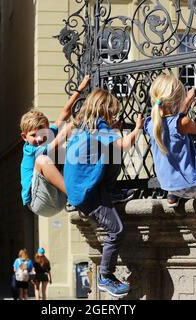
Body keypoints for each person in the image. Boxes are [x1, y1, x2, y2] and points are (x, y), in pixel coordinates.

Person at [64, 88, 144, 298]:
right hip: (87, 195)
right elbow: (125, 145)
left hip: (83, 188)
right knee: (116, 231)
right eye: (113, 114)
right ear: (104, 111)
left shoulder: (83, 128)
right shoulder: (99, 128)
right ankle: (105, 277)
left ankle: (111, 193)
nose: (115, 118)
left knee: (111, 152)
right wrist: (137, 128)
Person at [145, 74, 196, 209]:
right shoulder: (183, 122)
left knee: (172, 161)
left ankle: (173, 197)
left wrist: (188, 99)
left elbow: (170, 117)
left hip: (168, 186)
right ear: (177, 100)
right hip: (194, 186)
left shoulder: (150, 124)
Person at [20, 76, 91, 217]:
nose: (39, 138)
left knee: (67, 150)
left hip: (57, 198)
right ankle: (75, 196)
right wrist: (76, 121)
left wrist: (80, 89)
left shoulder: (47, 134)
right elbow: (57, 141)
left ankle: (85, 185)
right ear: (24, 137)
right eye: (34, 135)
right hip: (38, 202)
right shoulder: (31, 150)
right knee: (43, 159)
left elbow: (64, 113)